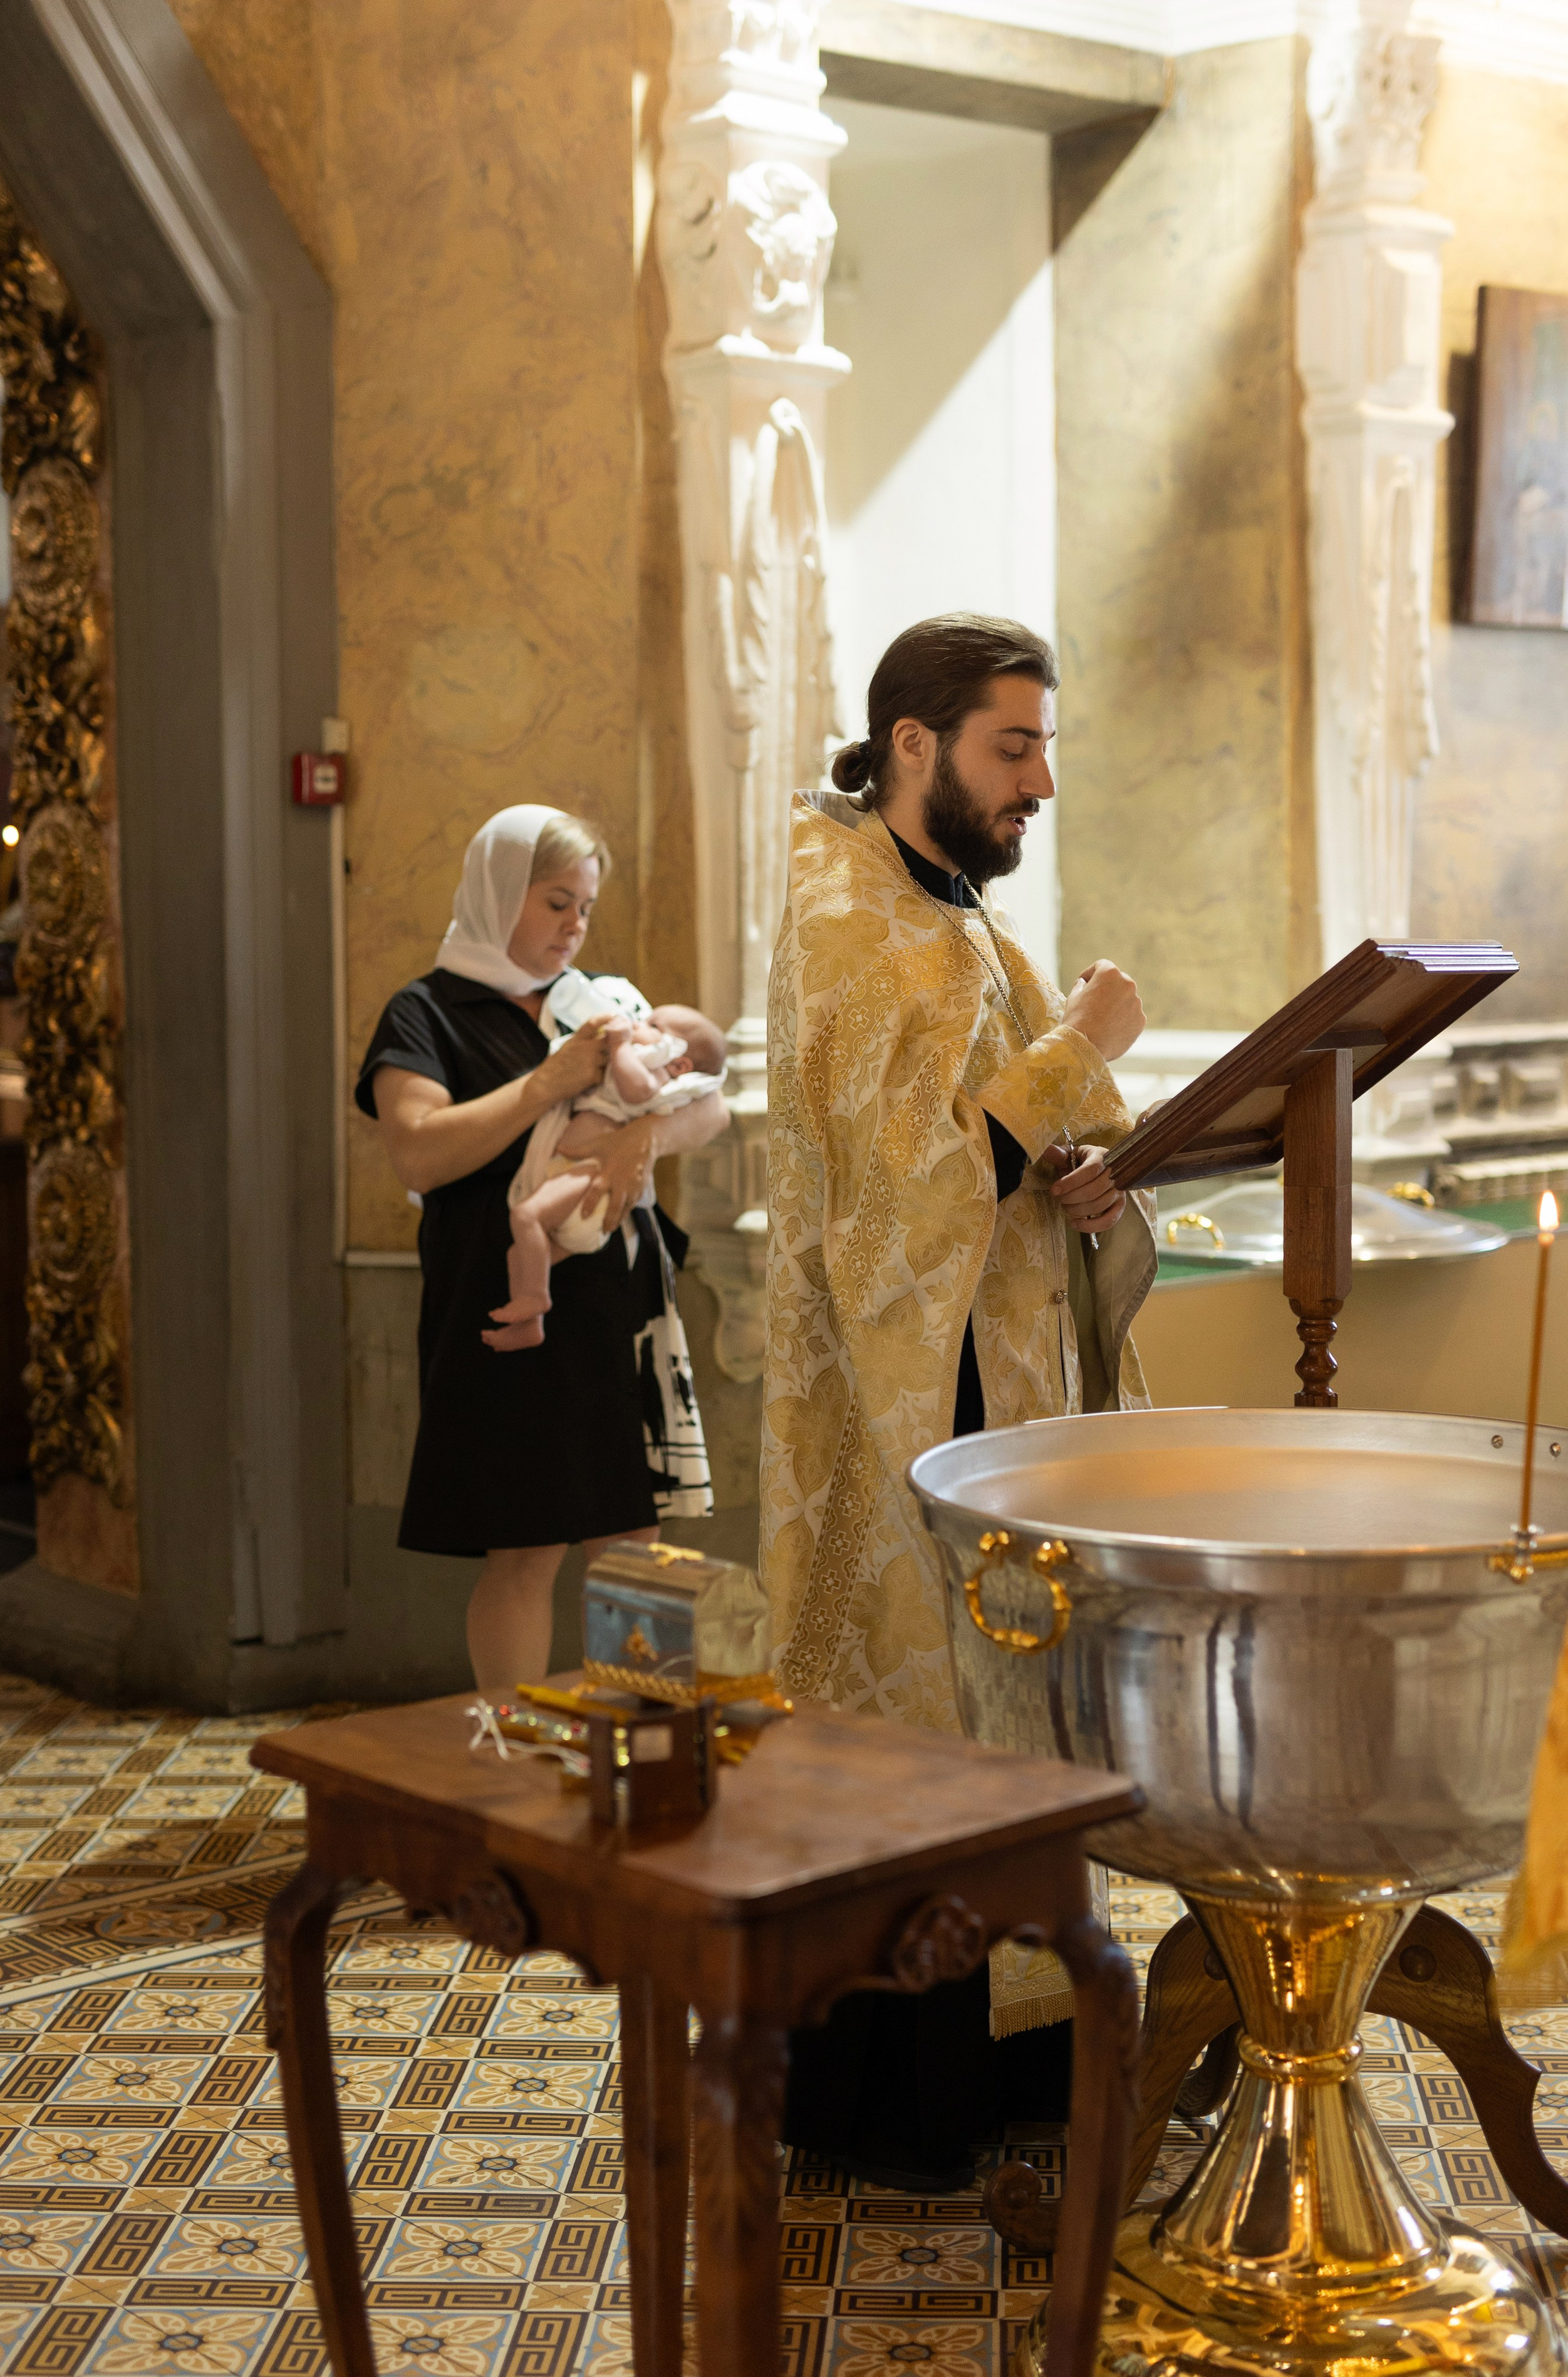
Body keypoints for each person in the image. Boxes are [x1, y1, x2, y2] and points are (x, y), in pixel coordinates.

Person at [764, 613, 1157, 2188]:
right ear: (912, 744)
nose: (1040, 781)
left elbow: (987, 1170)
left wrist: (1075, 1182)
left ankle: (1026, 2065)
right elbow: (906, 1200)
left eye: (1045, 745)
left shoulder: (948, 917)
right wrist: (1080, 1054)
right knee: (923, 1733)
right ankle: (899, 2095)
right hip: (896, 1422)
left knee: (1015, 1734)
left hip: (993, 1398)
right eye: (1014, 746)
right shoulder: (844, 912)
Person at [358, 803, 729, 1693]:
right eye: (557, 901)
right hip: (501, 1297)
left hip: (617, 1299)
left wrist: (646, 1143)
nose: (576, 925)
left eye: (586, 907)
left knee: (636, 1540)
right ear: (497, 893)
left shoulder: (602, 1000)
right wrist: (545, 1083)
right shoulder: (425, 1012)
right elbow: (419, 1147)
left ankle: (643, 1742)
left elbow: (709, 1101)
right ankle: (511, 1749)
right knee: (525, 1548)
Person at [486, 996, 727, 1349]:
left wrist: (620, 1045)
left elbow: (636, 1093)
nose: (639, 1023)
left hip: (590, 1174)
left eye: (653, 1026)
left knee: (527, 1218)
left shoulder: (655, 1074)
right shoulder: (640, 1059)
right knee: (518, 1256)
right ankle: (530, 1324)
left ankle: (536, 1298)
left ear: (679, 1063)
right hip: (573, 1177)